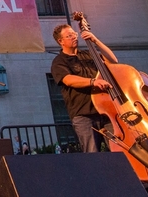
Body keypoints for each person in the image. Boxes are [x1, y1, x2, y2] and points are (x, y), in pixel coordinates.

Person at [50, 23, 118, 153]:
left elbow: (113, 60)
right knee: (92, 152)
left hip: (105, 111)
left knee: (119, 149)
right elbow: (69, 80)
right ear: (61, 41)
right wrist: (93, 82)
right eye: (69, 36)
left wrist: (95, 40)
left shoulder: (88, 55)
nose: (74, 37)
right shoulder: (59, 62)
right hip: (84, 115)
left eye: (74, 34)